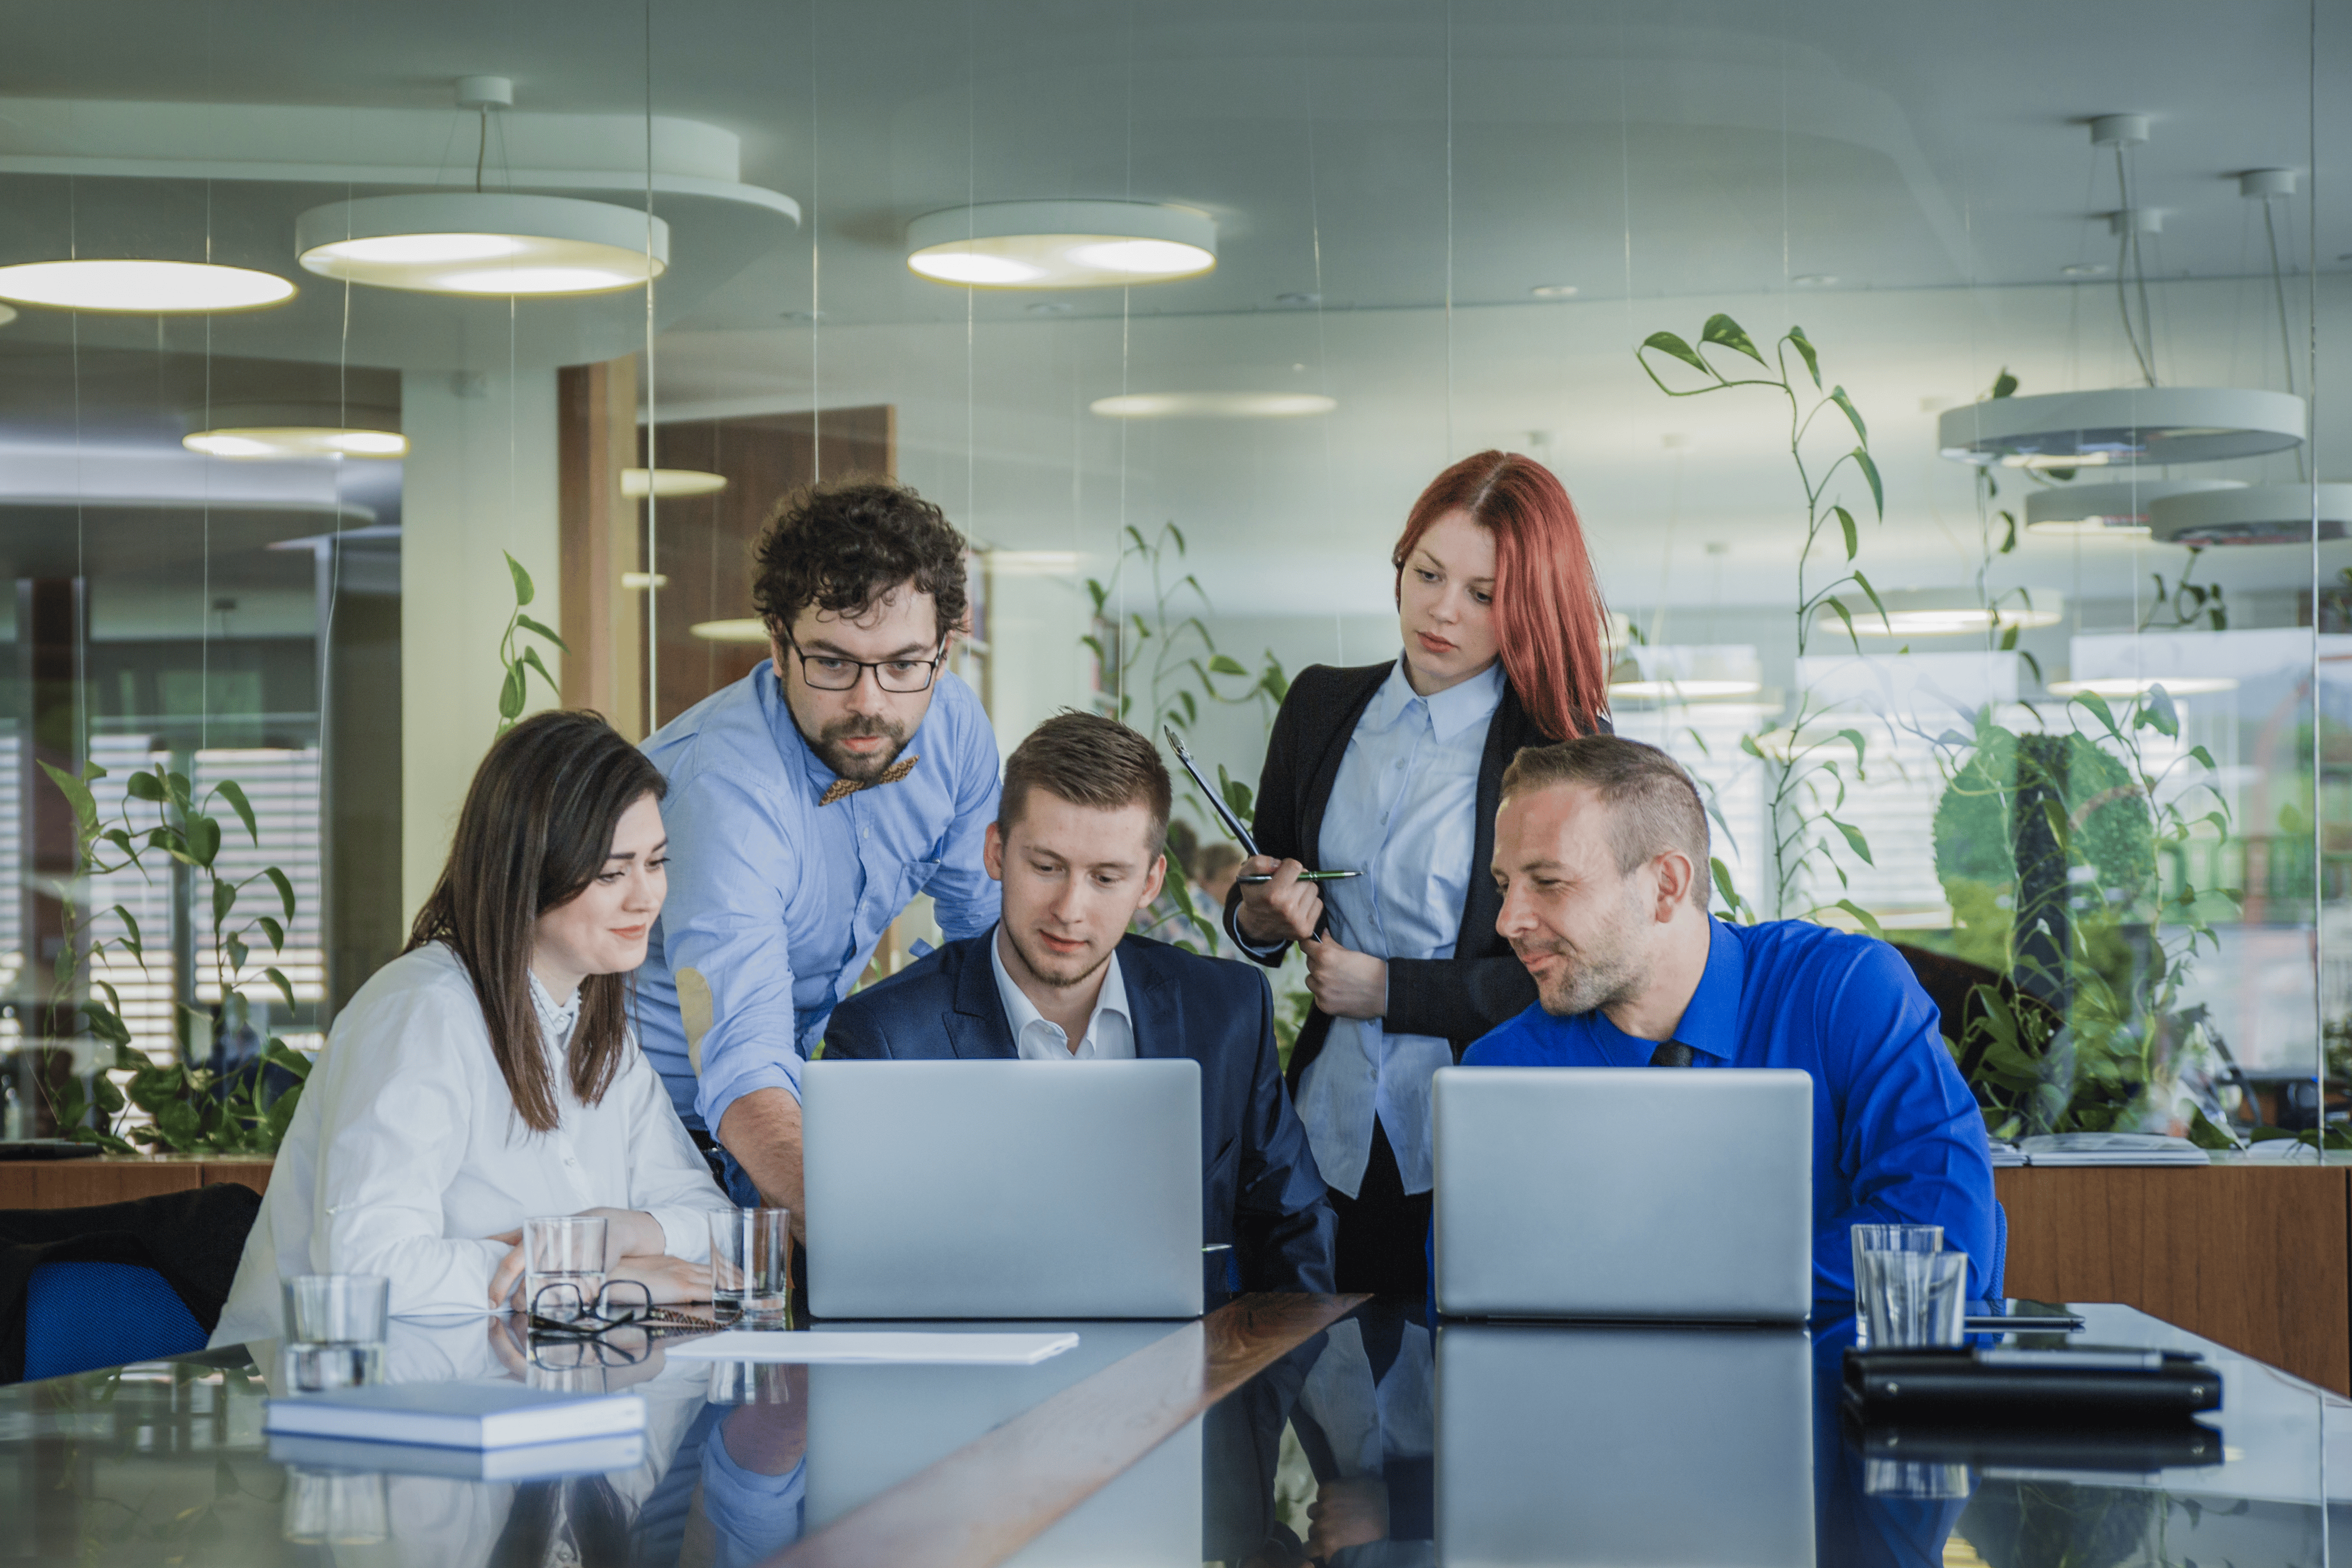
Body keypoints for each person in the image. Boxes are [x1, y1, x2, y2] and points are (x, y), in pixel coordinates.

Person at [1224, 449, 1613, 1295]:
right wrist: (1257, 918)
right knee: (1321, 1402)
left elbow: (1581, 977)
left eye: (1483, 595)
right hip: (1324, 1131)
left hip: (1482, 1137)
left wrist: (1391, 990)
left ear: (1529, 609)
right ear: (1399, 564)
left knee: (1465, 1406)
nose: (1441, 611)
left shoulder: (1560, 755)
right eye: (1427, 574)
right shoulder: (1321, 707)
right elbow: (1266, 887)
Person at [212, 711, 733, 1342]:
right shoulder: (423, 1012)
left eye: (657, 861)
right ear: (530, 869)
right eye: (612, 872)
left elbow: (719, 1228)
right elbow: (366, 1268)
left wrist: (620, 1232)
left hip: (511, 1392)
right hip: (341, 1403)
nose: (647, 896)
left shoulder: (600, 1031)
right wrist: (600, 1279)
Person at [1463, 736, 1999, 1298]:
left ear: (1666, 885)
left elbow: (1946, 1241)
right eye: (1504, 886)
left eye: (1548, 882)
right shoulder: (1502, 1072)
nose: (1509, 920)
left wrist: (1679, 1280)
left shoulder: (1845, 993)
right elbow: (1472, 1295)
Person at [826, 712, 1335, 1292]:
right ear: (996, 852)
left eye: (1107, 877)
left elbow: (1294, 1229)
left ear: (1150, 881)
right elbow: (866, 1279)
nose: (1070, 908)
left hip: (1195, 1372)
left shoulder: (1226, 1010)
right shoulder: (885, 1039)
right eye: (1046, 867)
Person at [634, 478, 1003, 1216]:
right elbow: (737, 1054)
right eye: (832, 663)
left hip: (796, 1099)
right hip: (657, 1132)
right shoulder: (727, 793)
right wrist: (868, 1235)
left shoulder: (954, 727)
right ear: (777, 643)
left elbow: (985, 947)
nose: (869, 703)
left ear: (946, 647)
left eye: (904, 665)